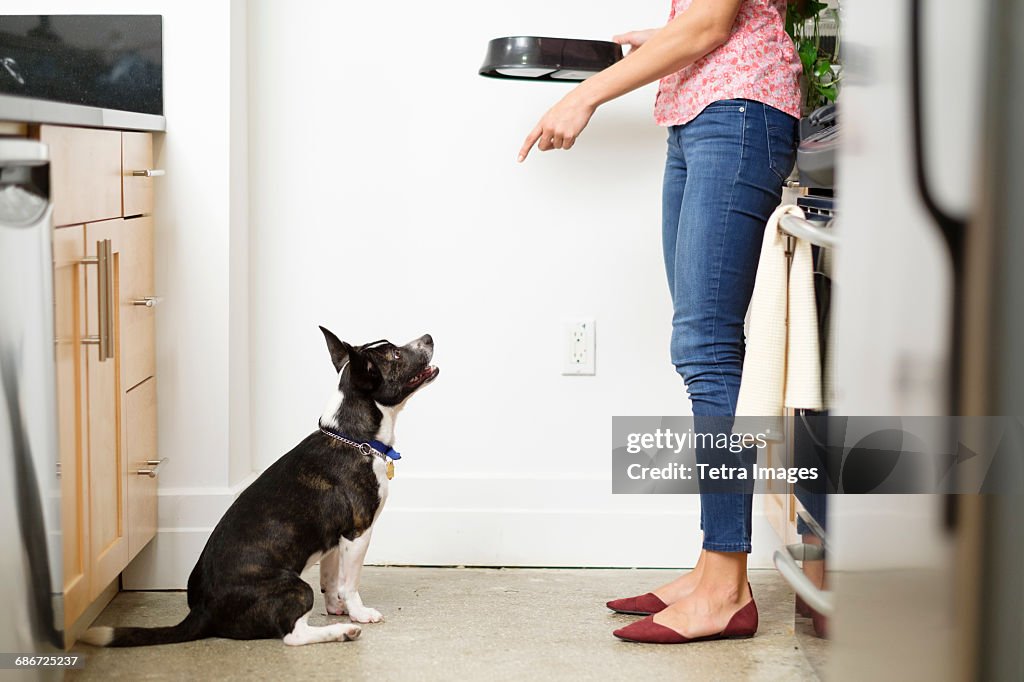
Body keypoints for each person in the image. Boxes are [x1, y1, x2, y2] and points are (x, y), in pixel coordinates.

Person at [519, 0, 802, 644]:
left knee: (708, 350)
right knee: (702, 347)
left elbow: (710, 25)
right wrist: (670, 36)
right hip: (704, 111)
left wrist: (584, 97)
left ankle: (726, 582)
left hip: (737, 113)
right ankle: (711, 569)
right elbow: (721, 17)